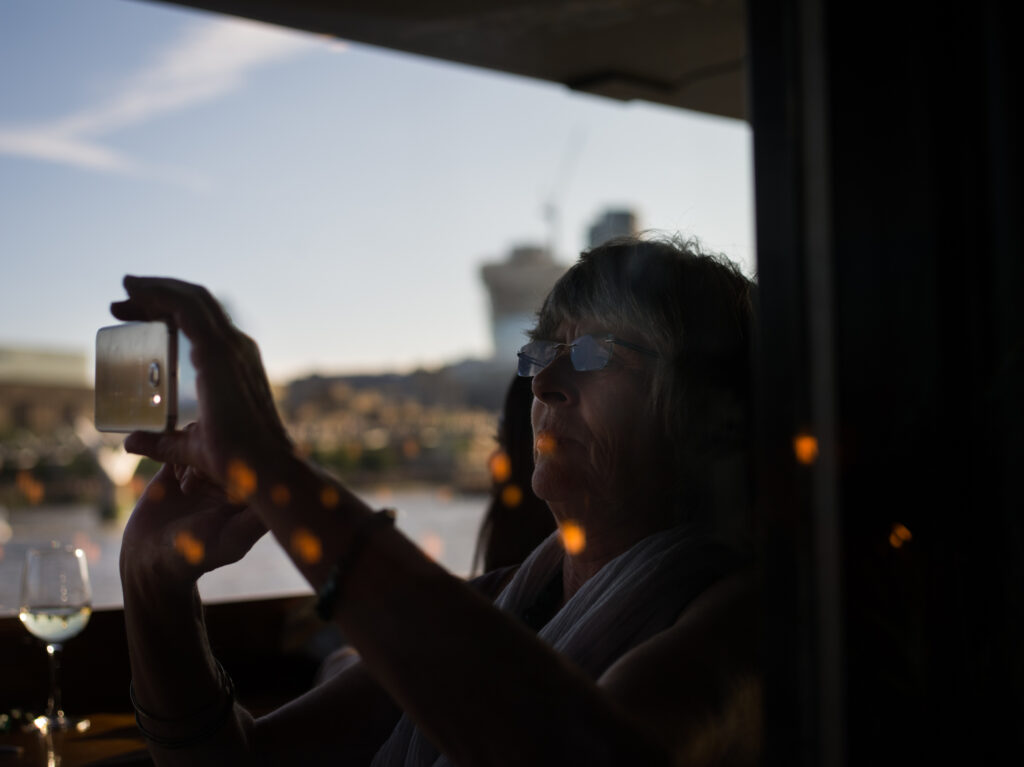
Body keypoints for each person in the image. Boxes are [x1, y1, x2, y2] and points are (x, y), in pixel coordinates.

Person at [116, 235, 760, 766]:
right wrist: (152, 582)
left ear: (708, 412)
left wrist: (275, 474)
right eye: (542, 350)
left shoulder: (747, 627)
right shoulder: (497, 605)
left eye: (596, 352)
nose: (545, 380)